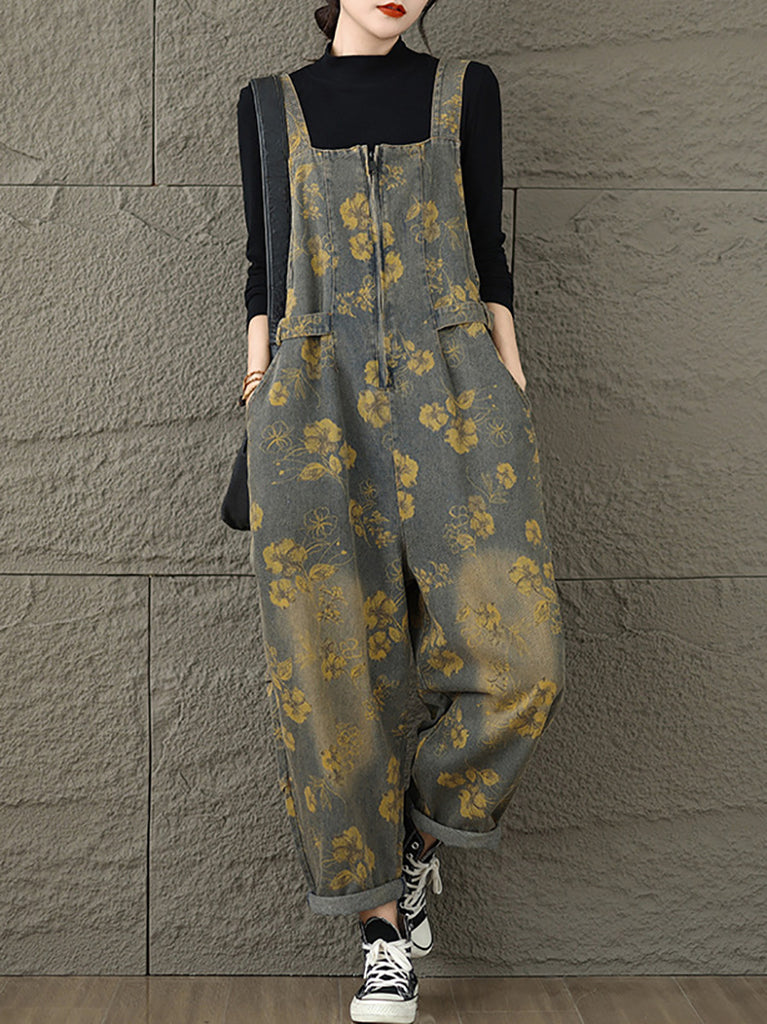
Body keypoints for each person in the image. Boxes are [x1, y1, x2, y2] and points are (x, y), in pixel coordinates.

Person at [236, 2, 567, 1020]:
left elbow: (488, 250)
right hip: (311, 391)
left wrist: (508, 380)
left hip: (458, 380)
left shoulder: (464, 90)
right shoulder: (270, 105)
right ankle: (382, 935)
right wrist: (257, 392)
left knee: (522, 662)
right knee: (327, 672)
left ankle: (419, 833)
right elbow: (263, 266)